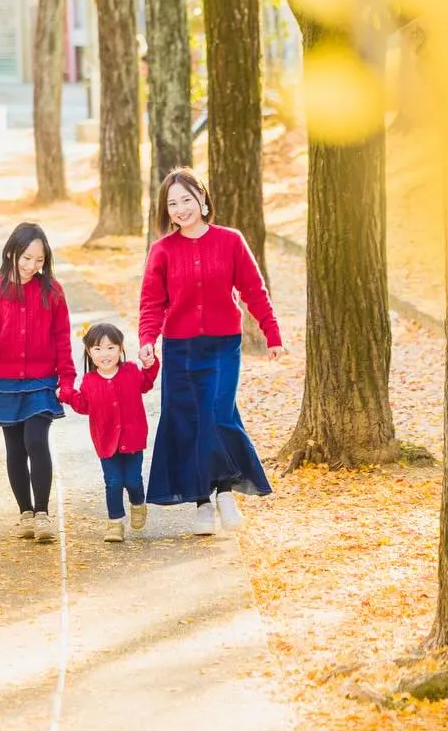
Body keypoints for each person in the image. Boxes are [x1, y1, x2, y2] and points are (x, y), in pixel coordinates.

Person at [139, 167, 284, 535]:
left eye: (186, 199)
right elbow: (152, 302)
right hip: (180, 349)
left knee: (218, 414)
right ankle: (203, 502)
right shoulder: (162, 251)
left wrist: (272, 333)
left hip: (222, 345)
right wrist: (147, 340)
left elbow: (254, 290)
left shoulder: (230, 241)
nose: (180, 209)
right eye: (172, 204)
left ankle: (224, 491)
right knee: (188, 421)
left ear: (203, 200)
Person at [0, 222, 73, 544]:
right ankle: (25, 512)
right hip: (5, 381)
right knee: (15, 447)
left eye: (39, 261)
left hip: (41, 380)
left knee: (36, 441)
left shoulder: (51, 291)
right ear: (12, 252)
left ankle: (42, 514)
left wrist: (66, 379)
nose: (31, 267)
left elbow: (63, 338)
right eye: (26, 259)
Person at [61, 322, 159, 542]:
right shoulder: (89, 381)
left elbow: (147, 382)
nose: (105, 354)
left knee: (132, 480)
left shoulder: (131, 371)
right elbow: (84, 406)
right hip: (105, 441)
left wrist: (150, 365)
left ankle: (138, 503)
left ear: (120, 348)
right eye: (98, 349)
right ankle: (115, 523)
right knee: (113, 481)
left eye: (110, 348)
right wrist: (67, 394)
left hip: (132, 438)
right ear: (89, 352)